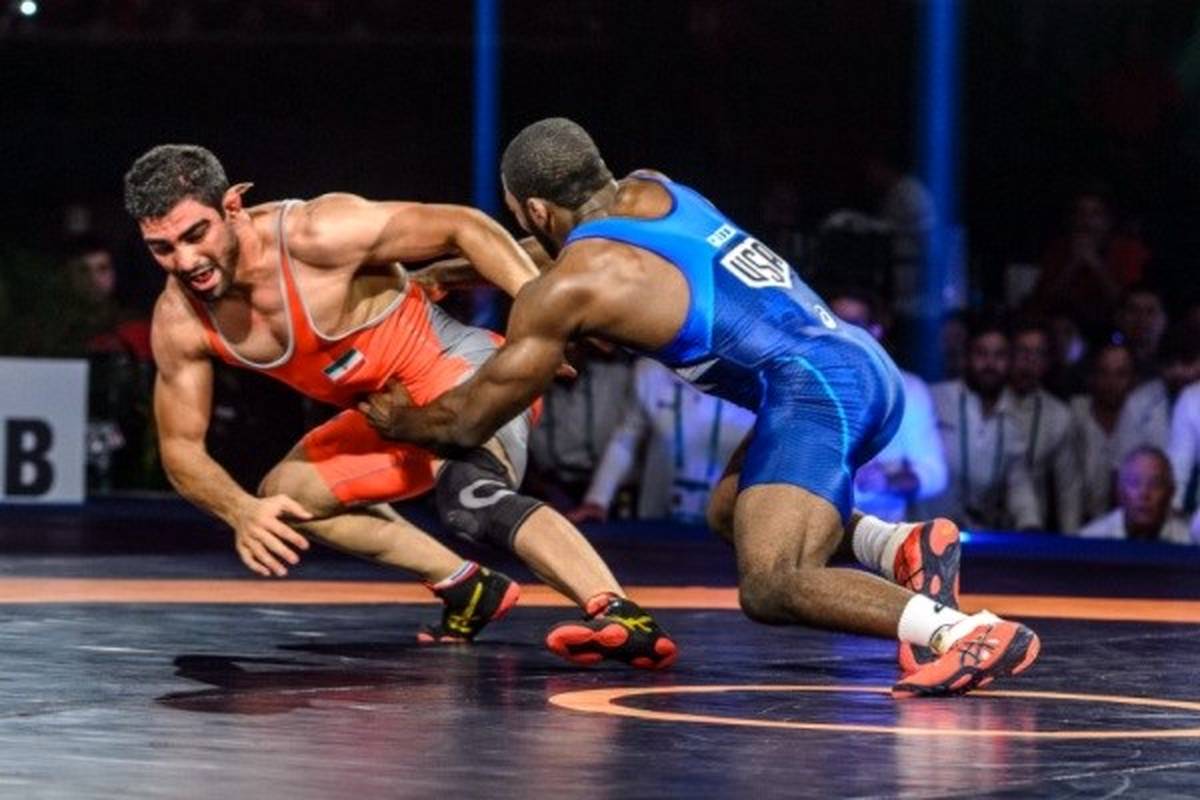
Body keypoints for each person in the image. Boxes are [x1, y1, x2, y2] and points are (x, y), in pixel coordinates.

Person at [359, 118, 1040, 697]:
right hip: (854, 361)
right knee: (729, 511)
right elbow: (564, 248)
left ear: (534, 209)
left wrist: (399, 419)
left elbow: (470, 420)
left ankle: (966, 633)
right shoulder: (651, 188)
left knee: (772, 584)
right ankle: (897, 545)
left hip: (816, 391)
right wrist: (453, 271)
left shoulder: (566, 290)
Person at [123, 143, 676, 669]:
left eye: (196, 234)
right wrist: (240, 511)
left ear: (233, 206)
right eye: (162, 248)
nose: (186, 260)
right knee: (284, 497)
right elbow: (180, 448)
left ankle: (620, 613)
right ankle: (468, 586)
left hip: (464, 378)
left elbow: (465, 226)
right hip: (391, 420)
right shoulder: (180, 320)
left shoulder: (316, 234)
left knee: (471, 497)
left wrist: (543, 325)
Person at [569, 357, 756, 524]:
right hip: (658, 524)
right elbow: (625, 440)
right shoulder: (650, 371)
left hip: (728, 524)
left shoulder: (758, 376)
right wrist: (597, 499)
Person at [827, 289, 947, 523]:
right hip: (812, 531)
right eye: (832, 322)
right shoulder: (801, 384)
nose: (840, 333)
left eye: (852, 324)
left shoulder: (908, 390)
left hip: (881, 534)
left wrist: (887, 481)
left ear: (875, 331)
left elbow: (935, 474)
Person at [922, 320, 1041, 531]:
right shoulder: (935, 399)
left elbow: (1019, 483)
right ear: (967, 358)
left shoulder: (1015, 419)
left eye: (999, 355)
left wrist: (1030, 524)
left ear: (1010, 361)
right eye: (981, 353)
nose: (990, 364)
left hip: (978, 535)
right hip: (924, 530)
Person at [1008, 320, 1083, 532]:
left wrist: (1071, 541)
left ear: (1047, 362)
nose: (1028, 361)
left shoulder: (1059, 415)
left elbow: (1068, 489)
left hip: (1030, 528)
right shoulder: (988, 401)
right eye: (1023, 351)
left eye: (1037, 354)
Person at [1070, 343, 1136, 522]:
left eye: (1120, 374)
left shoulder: (1142, 420)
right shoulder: (1073, 415)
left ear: (1133, 379)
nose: (1111, 383)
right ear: (1092, 376)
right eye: (1103, 372)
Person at [1075, 447, 1196, 544]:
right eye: (1134, 483)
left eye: (1154, 484)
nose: (1144, 494)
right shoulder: (1089, 542)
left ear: (1171, 493)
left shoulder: (1190, 543)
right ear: (1119, 492)